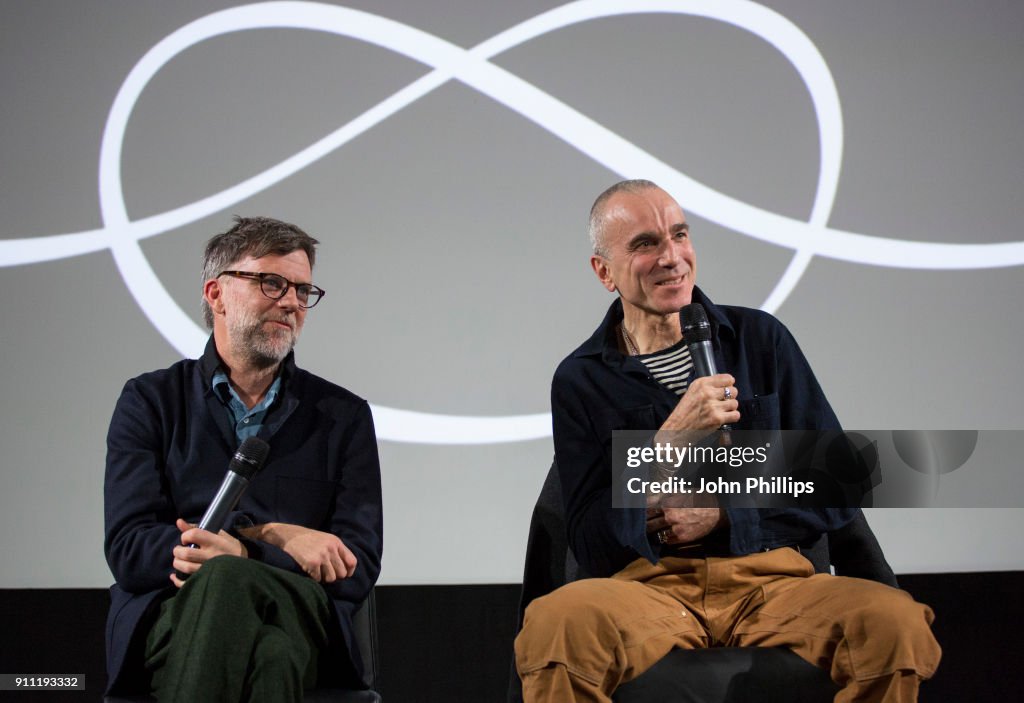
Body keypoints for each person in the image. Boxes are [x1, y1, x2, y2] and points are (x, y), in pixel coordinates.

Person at [514, 180, 940, 702]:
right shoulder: (581, 379)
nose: (672, 258)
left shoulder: (760, 340)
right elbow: (589, 541)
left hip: (775, 581)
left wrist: (720, 516)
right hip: (648, 587)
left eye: (679, 235)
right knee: (555, 624)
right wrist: (670, 439)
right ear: (604, 272)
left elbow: (836, 483)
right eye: (645, 244)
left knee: (893, 622)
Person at [104, 216, 382, 701]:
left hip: (300, 610)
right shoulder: (150, 401)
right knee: (271, 654)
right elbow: (129, 548)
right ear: (216, 294)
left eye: (303, 290)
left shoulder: (343, 416)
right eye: (272, 284)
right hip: (174, 614)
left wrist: (244, 556)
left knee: (233, 581)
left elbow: (357, 563)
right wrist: (266, 537)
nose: (292, 302)